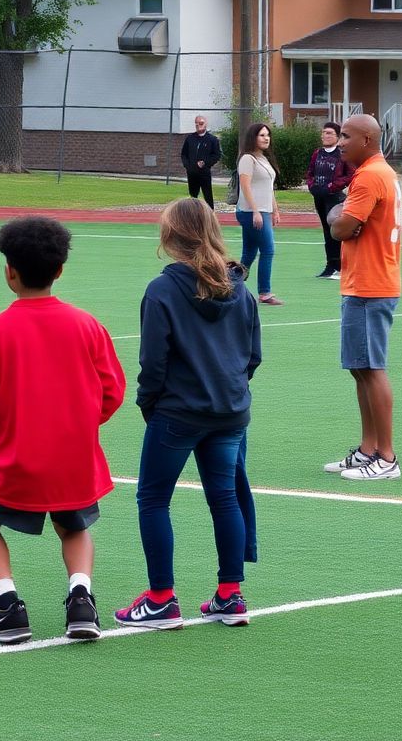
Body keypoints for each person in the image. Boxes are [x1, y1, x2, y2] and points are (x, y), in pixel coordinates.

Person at [0, 216, 125, 643]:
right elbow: (113, 391)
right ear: (60, 270)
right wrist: (80, 424)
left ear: (9, 271)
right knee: (76, 526)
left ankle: (6, 603)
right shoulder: (88, 326)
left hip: (17, 460)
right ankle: (81, 599)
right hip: (74, 459)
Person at [115, 198, 260, 629]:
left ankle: (161, 597)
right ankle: (230, 595)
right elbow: (252, 357)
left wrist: (149, 404)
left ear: (169, 237)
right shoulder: (241, 289)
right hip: (229, 412)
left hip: (178, 413)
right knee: (225, 497)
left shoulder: (162, 290)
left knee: (154, 499)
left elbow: (153, 362)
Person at [326, 114, 402, 481]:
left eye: (346, 135)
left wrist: (336, 215)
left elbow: (341, 227)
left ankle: (386, 457)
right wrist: (342, 217)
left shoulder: (371, 175)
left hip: (371, 284)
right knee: (360, 368)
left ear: (367, 140)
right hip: (363, 283)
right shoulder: (378, 172)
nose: (340, 141)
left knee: (371, 368)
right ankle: (368, 450)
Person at [235, 122, 283, 306]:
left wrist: (275, 209)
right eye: (262, 135)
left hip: (263, 211)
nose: (266, 138)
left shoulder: (263, 158)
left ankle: (230, 284)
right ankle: (265, 292)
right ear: (253, 137)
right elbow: (245, 186)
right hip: (251, 211)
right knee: (268, 250)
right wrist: (256, 211)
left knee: (249, 252)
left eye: (267, 135)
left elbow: (268, 188)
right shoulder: (248, 159)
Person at [306, 121, 354, 277]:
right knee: (327, 233)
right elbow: (310, 173)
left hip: (334, 198)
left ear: (337, 136)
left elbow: (350, 175)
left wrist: (332, 187)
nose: (325, 136)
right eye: (323, 132)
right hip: (319, 198)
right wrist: (312, 187)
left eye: (329, 133)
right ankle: (330, 265)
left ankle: (342, 266)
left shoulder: (342, 153)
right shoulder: (317, 153)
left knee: (336, 232)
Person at [180, 115, 222, 209]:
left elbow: (216, 155)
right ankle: (194, 216)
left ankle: (211, 216)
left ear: (206, 124)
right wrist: (188, 166)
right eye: (196, 124)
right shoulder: (190, 138)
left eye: (201, 123)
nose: (199, 125)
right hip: (192, 173)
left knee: (207, 195)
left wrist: (205, 163)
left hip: (204, 173)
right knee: (193, 197)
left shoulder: (212, 140)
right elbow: (184, 154)